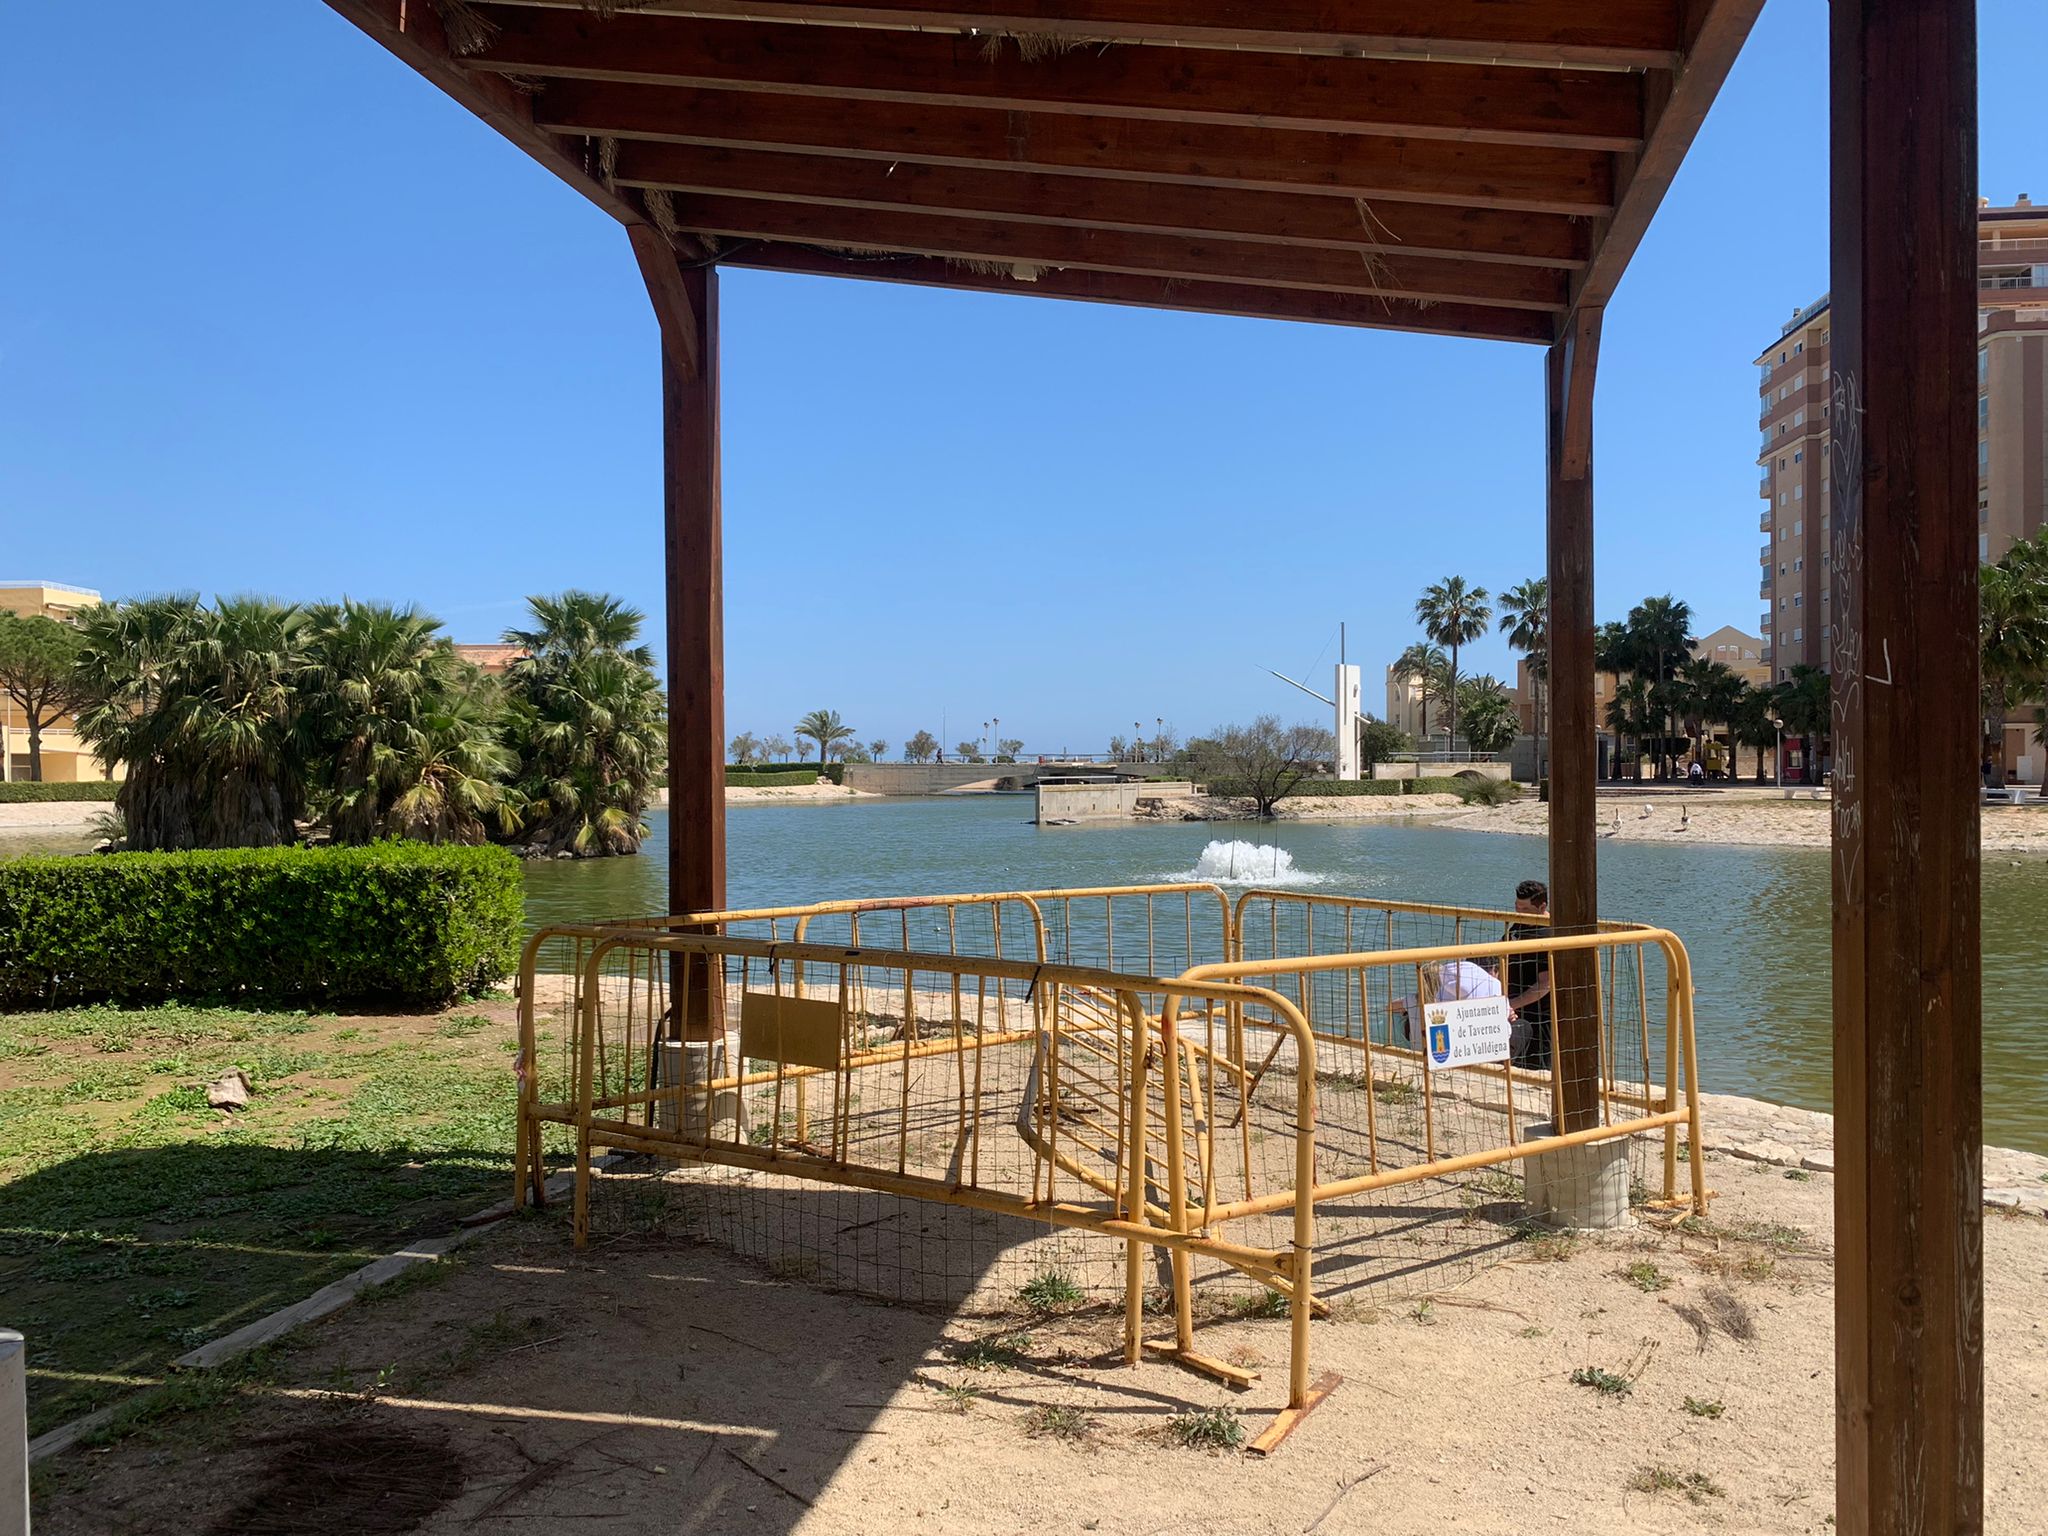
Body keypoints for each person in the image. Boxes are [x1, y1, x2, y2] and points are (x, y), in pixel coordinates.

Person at [1389, 955, 1507, 1045]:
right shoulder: (1449, 1001)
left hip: (1419, 1052)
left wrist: (1408, 1007)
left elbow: (1390, 1007)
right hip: (1448, 1050)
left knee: (1401, 1019)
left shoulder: (1413, 1000)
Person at [1505, 878, 1554, 1072]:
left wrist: (1510, 1005)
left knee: (1537, 1069)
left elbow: (1545, 984)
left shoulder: (1548, 934)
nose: (1519, 913)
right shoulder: (1518, 926)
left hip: (1539, 1016)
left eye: (1525, 909)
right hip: (1513, 1013)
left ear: (1542, 906)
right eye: (1517, 907)